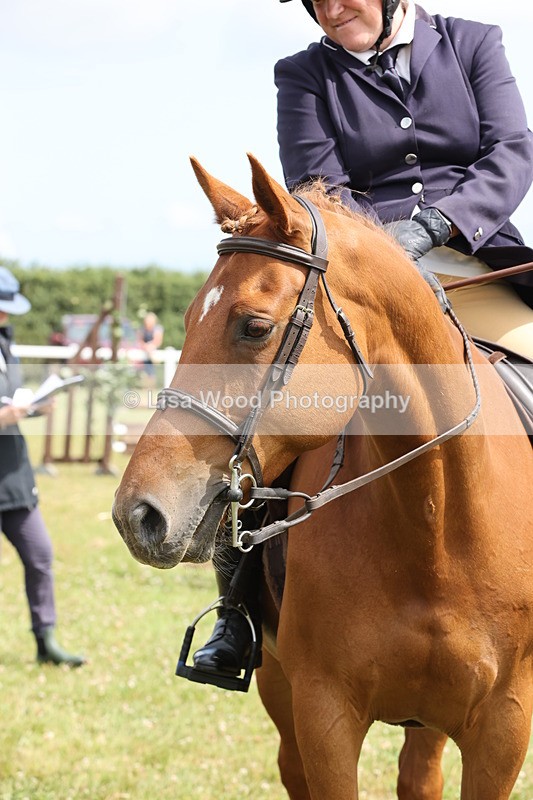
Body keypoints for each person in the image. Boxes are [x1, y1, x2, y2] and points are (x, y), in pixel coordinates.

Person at [191, 0, 533, 680]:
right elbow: (317, 185)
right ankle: (238, 610)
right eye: (315, 0)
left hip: (473, 270)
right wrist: (382, 250)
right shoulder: (301, 73)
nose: (330, 7)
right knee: (275, 416)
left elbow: (510, 151)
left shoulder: (471, 42)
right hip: (361, 284)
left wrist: (435, 225)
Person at [0, 267, 85, 667]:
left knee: (40, 554)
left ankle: (45, 641)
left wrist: (33, 409)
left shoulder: (6, 343)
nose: (6, 316)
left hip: (12, 476)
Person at [137, 312, 164, 383]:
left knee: (152, 369)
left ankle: (152, 383)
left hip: (153, 352)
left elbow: (157, 341)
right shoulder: (142, 329)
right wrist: (145, 346)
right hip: (144, 351)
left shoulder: (157, 329)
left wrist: (150, 346)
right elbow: (140, 340)